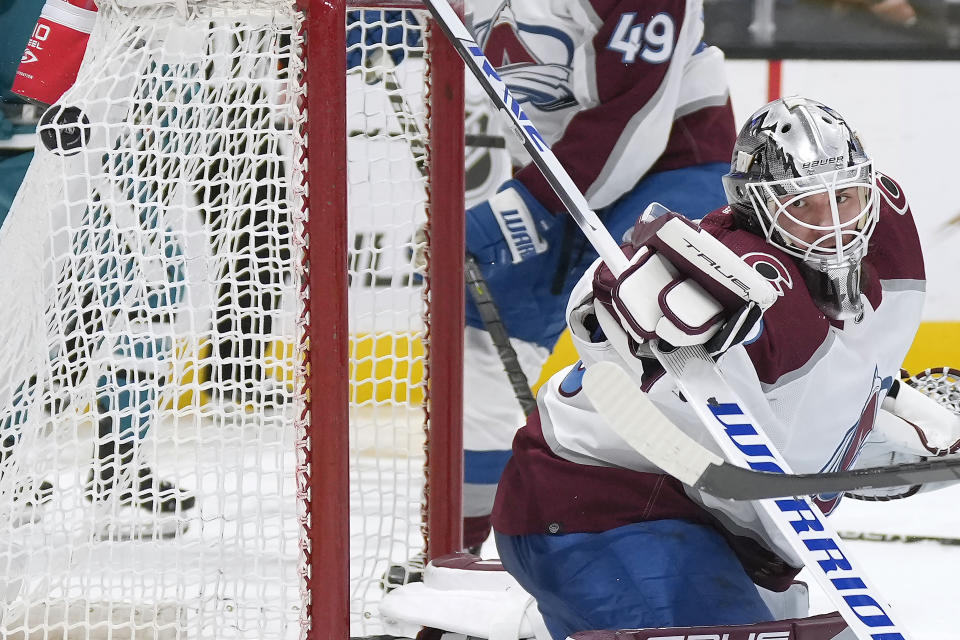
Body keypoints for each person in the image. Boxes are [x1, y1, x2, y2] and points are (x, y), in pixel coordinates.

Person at [490, 96, 956, 637]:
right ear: (755, 208)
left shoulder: (890, 244)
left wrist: (898, 434)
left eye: (845, 197)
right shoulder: (734, 284)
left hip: (718, 529)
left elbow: (815, 407)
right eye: (802, 206)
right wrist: (620, 297)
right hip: (597, 508)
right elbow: (609, 315)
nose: (833, 225)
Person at [456, 0, 738, 553]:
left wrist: (524, 209)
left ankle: (702, 540)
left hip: (674, 168)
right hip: (560, 175)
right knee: (480, 339)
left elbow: (632, 124)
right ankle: (461, 546)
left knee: (659, 337)